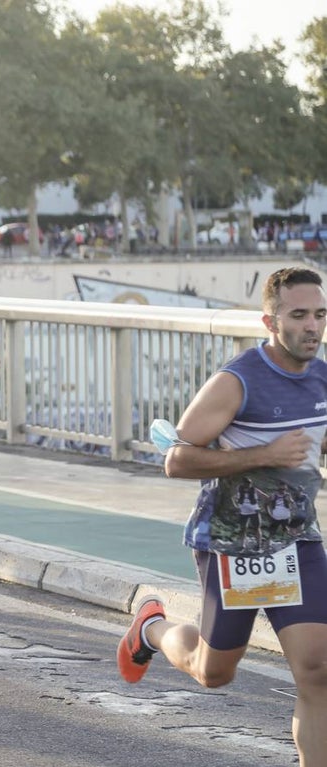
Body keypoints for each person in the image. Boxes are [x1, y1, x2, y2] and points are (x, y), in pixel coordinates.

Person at [117, 267, 327, 766]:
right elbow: (177, 460)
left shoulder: (323, 379)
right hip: (233, 544)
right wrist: (265, 455)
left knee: (318, 672)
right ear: (269, 322)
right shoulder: (237, 381)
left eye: (320, 315)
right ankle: (151, 629)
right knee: (214, 672)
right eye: (299, 315)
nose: (312, 326)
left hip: (296, 539)